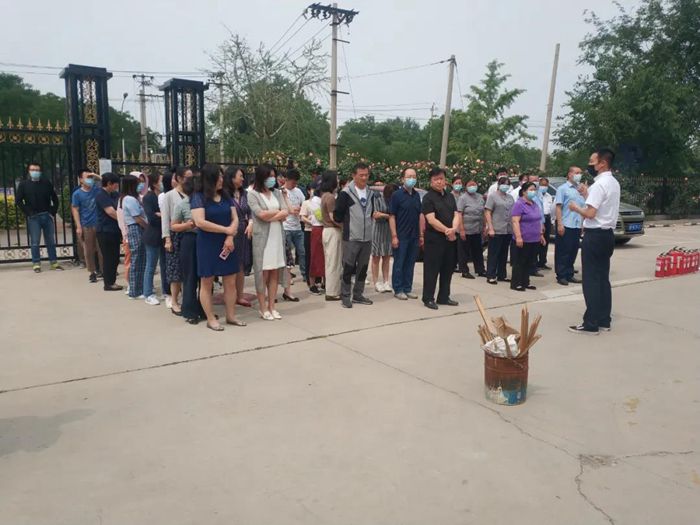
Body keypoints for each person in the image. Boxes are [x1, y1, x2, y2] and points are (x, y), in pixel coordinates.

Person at [568, 149, 620, 335]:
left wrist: (576, 208)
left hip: (595, 235)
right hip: (607, 235)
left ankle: (591, 323)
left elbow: (591, 213)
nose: (589, 165)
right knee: (602, 279)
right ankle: (604, 320)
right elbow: (600, 206)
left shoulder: (600, 185)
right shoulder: (613, 183)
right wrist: (586, 195)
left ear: (602, 163)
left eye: (592, 161)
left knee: (591, 279)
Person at [191, 164, 244, 331]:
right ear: (209, 179)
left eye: (222, 177)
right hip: (207, 244)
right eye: (218, 177)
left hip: (228, 243)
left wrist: (230, 236)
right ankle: (210, 318)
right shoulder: (198, 197)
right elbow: (200, 222)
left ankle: (231, 315)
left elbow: (235, 218)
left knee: (230, 281)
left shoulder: (225, 196)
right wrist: (225, 230)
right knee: (206, 281)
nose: (222, 180)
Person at [247, 164, 291, 320]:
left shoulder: (277, 193)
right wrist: (277, 214)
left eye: (273, 176)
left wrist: (271, 215)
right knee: (263, 273)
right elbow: (260, 214)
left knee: (274, 272)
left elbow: (286, 212)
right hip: (262, 239)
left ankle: (272, 306)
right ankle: (263, 307)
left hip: (277, 236)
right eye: (269, 176)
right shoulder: (253, 194)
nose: (272, 179)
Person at [333, 162, 375, 308]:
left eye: (366, 175)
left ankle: (358, 294)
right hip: (351, 238)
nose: (364, 178)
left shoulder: (370, 193)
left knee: (362, 268)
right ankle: (345, 295)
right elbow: (337, 215)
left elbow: (371, 213)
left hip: (367, 237)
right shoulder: (345, 193)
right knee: (348, 267)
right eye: (361, 175)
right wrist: (347, 227)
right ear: (353, 175)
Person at [421, 167, 460, 310]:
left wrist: (453, 229)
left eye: (441, 179)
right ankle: (428, 298)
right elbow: (431, 220)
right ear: (431, 181)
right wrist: (446, 230)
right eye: (436, 179)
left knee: (448, 268)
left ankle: (444, 296)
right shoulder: (428, 198)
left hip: (450, 238)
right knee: (432, 270)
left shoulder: (450, 196)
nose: (439, 182)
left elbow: (456, 214)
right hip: (434, 239)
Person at [15, 162, 62, 272]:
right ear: (29, 171)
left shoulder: (46, 183)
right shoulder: (24, 185)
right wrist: (29, 212)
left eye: (37, 170)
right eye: (33, 170)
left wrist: (52, 212)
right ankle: (36, 263)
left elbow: (55, 198)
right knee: (35, 242)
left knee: (50, 241)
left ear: (40, 172)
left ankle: (54, 262)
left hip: (46, 215)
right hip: (34, 217)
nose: (35, 172)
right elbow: (18, 201)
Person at [171, 176, 205, 323]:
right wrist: (187, 225)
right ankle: (190, 312)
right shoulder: (183, 204)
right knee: (190, 277)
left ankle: (204, 309)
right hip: (190, 239)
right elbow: (173, 225)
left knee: (206, 277)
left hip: (205, 240)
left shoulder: (206, 202)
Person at [161, 167, 192, 313]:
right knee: (175, 271)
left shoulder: (192, 194)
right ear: (179, 178)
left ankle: (187, 300)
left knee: (188, 270)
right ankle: (174, 300)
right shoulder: (169, 196)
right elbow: (165, 219)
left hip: (190, 236)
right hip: (175, 236)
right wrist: (167, 239)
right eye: (188, 177)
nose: (191, 180)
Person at [389, 168, 422, 301]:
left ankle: (407, 288)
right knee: (399, 263)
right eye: (409, 176)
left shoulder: (416, 195)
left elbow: (419, 216)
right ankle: (398, 289)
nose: (411, 179)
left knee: (410, 263)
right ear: (403, 179)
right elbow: (392, 216)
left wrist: (421, 235)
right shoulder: (396, 195)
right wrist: (394, 236)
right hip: (401, 235)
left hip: (414, 235)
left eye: (414, 176)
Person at [224, 166, 253, 308]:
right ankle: (229, 295)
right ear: (231, 177)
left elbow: (250, 211)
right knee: (230, 265)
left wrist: (251, 222)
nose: (242, 178)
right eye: (239, 176)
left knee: (241, 264)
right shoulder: (224, 194)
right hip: (229, 232)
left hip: (244, 232)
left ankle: (240, 296)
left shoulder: (245, 194)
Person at [511, 182, 546, 291]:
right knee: (520, 262)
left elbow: (538, 220)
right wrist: (518, 237)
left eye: (534, 190)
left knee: (529, 261)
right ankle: (516, 283)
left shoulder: (534, 203)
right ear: (524, 191)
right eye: (531, 190)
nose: (533, 192)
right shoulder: (519, 204)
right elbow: (515, 221)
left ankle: (525, 282)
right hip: (523, 238)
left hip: (534, 238)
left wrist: (541, 235)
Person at [71, 169, 103, 282]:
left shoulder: (96, 190)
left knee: (101, 249)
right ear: (81, 180)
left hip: (99, 224)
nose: (90, 180)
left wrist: (94, 175)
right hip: (87, 225)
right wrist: (78, 226)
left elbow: (106, 182)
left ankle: (102, 270)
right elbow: (75, 209)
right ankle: (92, 272)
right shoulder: (77, 194)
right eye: (87, 177)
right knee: (89, 250)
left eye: (91, 178)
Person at [554, 166, 585, 286]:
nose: (579, 175)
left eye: (580, 173)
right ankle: (561, 275)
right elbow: (558, 207)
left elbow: (582, 207)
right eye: (577, 172)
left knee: (573, 250)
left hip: (576, 224)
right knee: (563, 251)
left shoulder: (580, 189)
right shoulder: (563, 189)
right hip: (566, 223)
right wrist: (560, 224)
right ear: (569, 174)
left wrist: (582, 224)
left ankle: (569, 273)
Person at [94, 172, 123, 291]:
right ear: (109, 184)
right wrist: (123, 220)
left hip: (114, 230)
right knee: (109, 257)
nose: (117, 186)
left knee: (115, 257)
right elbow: (110, 212)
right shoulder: (101, 195)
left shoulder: (114, 194)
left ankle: (112, 281)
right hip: (105, 230)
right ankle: (108, 283)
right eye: (116, 184)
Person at [120, 175, 148, 299]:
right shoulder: (129, 199)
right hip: (136, 228)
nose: (140, 185)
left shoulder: (131, 198)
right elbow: (137, 218)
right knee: (137, 260)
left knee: (140, 259)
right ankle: (135, 290)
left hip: (137, 228)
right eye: (137, 183)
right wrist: (147, 226)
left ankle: (138, 288)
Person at [484, 176, 515, 285]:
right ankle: (491, 275)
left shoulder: (510, 197)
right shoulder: (492, 196)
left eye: (507, 184)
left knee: (504, 253)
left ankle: (502, 274)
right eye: (503, 184)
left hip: (508, 229)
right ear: (499, 185)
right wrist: (490, 227)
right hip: (496, 228)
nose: (505, 186)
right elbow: (488, 212)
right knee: (494, 253)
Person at [281, 169, 305, 302]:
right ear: (287, 180)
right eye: (293, 182)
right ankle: (287, 280)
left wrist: (300, 209)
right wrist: (290, 210)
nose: (294, 185)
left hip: (297, 226)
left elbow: (304, 204)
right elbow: (281, 209)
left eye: (296, 183)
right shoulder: (280, 192)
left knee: (302, 252)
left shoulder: (298, 191)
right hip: (286, 227)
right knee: (288, 257)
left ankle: (304, 275)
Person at [142, 172, 165, 306]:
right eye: (160, 180)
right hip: (152, 236)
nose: (162, 183)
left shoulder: (163, 196)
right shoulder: (149, 197)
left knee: (164, 265)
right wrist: (162, 215)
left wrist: (161, 214)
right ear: (155, 183)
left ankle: (165, 290)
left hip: (163, 235)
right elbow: (151, 217)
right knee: (151, 265)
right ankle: (148, 293)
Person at [457, 179, 486, 279]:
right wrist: (461, 229)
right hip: (466, 228)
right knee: (464, 251)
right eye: (470, 185)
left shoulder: (480, 197)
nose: (472, 186)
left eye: (474, 184)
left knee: (478, 250)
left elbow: (483, 212)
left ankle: (480, 269)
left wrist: (484, 226)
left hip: (477, 228)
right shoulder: (463, 198)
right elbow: (459, 214)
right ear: (466, 187)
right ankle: (464, 270)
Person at [320, 171, 342, 301]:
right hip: (332, 231)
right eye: (336, 179)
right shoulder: (330, 197)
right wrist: (343, 226)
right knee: (334, 262)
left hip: (327, 230)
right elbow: (334, 217)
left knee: (330, 261)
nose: (338, 181)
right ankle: (332, 292)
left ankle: (331, 290)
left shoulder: (324, 196)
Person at [371, 183, 397, 293]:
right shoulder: (378, 197)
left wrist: (386, 216)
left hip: (388, 230)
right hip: (378, 230)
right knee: (376, 257)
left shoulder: (394, 200)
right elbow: (376, 215)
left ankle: (386, 281)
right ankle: (376, 282)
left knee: (386, 257)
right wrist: (390, 216)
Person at [303, 184, 325, 295]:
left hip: (322, 229)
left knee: (324, 258)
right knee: (315, 257)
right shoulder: (314, 202)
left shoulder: (322, 200)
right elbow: (321, 217)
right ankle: (312, 284)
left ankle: (323, 283)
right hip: (315, 229)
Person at [536, 177, 554, 270]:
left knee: (545, 241)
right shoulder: (536, 196)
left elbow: (551, 209)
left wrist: (551, 221)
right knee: (537, 241)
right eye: (542, 185)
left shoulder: (549, 196)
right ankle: (535, 262)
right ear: (539, 185)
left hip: (547, 219)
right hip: (538, 219)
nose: (544, 187)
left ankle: (542, 262)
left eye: (546, 185)